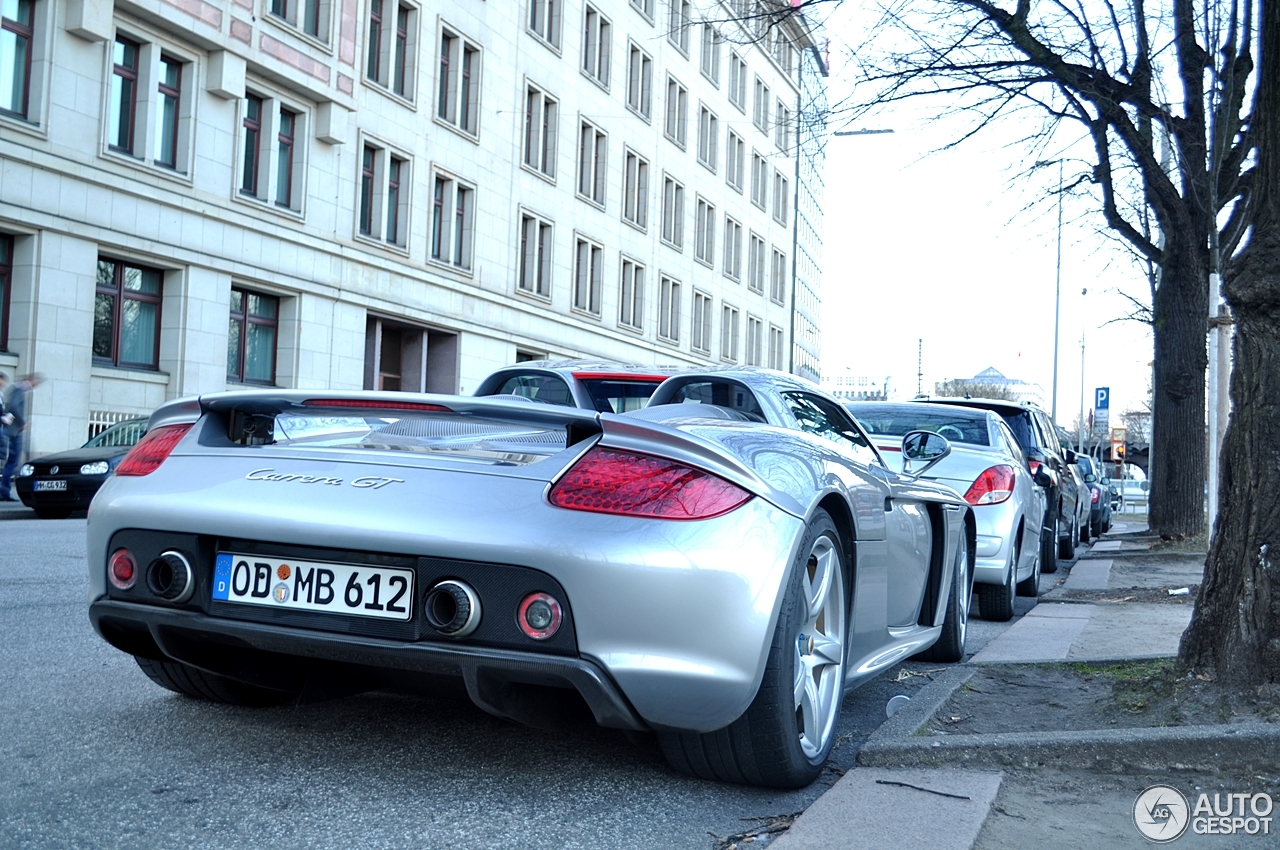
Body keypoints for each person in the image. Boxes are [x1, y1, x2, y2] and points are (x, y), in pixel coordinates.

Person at [1, 372, 43, 501]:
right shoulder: (19, 389)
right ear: (31, 379)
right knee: (13, 462)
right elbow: (13, 407)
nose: (35, 386)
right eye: (36, 382)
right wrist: (22, 423)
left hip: (12, 429)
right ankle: (4, 492)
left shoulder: (17, 389)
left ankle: (5, 491)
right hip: (14, 430)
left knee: (12, 461)